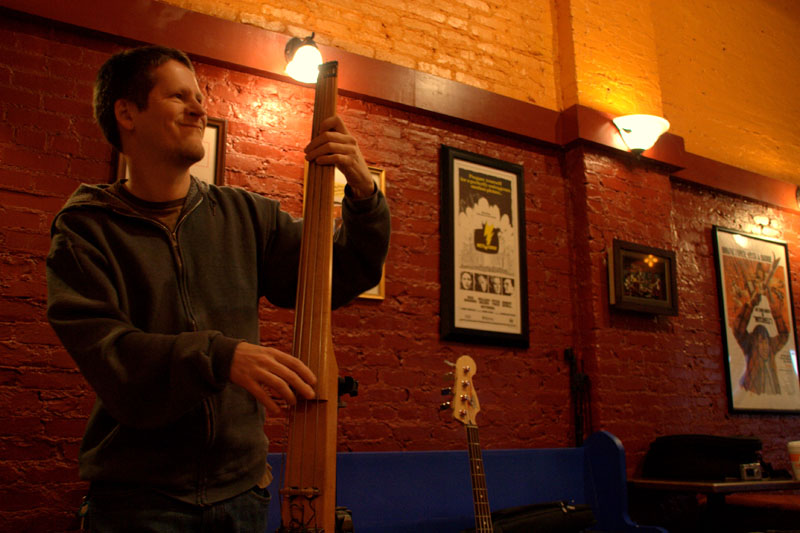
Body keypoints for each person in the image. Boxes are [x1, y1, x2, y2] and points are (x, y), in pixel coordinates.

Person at [45, 45, 390, 532]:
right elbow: (112, 356)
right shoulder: (85, 229)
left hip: (242, 495)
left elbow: (342, 275)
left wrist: (363, 192)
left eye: (200, 97)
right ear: (127, 113)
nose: (198, 108)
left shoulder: (246, 215)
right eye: (178, 96)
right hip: (138, 502)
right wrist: (221, 357)